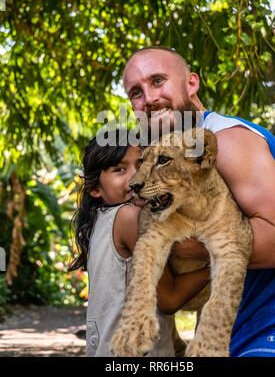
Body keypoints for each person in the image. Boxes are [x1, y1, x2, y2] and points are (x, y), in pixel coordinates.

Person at [122, 46, 275, 357]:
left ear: (191, 83)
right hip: (243, 328)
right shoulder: (173, 159)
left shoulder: (227, 139)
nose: (149, 99)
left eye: (158, 80)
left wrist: (169, 241)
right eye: (136, 92)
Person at [69, 129, 210, 357]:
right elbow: (169, 299)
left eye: (143, 164)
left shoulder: (102, 222)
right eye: (119, 170)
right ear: (95, 188)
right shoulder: (130, 218)